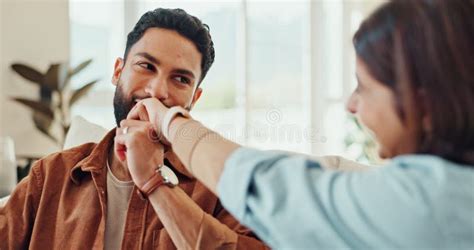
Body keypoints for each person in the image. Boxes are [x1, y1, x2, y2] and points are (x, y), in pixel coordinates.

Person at [117, 0, 474, 249]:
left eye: (364, 87)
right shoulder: (59, 172)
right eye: (146, 66)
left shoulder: (423, 204)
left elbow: (264, 185)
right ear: (118, 70)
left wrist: (160, 160)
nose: (351, 104)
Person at [0, 8, 268, 249]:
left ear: (194, 99)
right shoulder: (49, 176)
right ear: (118, 71)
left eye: (180, 79)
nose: (156, 91)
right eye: (146, 66)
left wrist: (154, 179)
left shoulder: (220, 189)